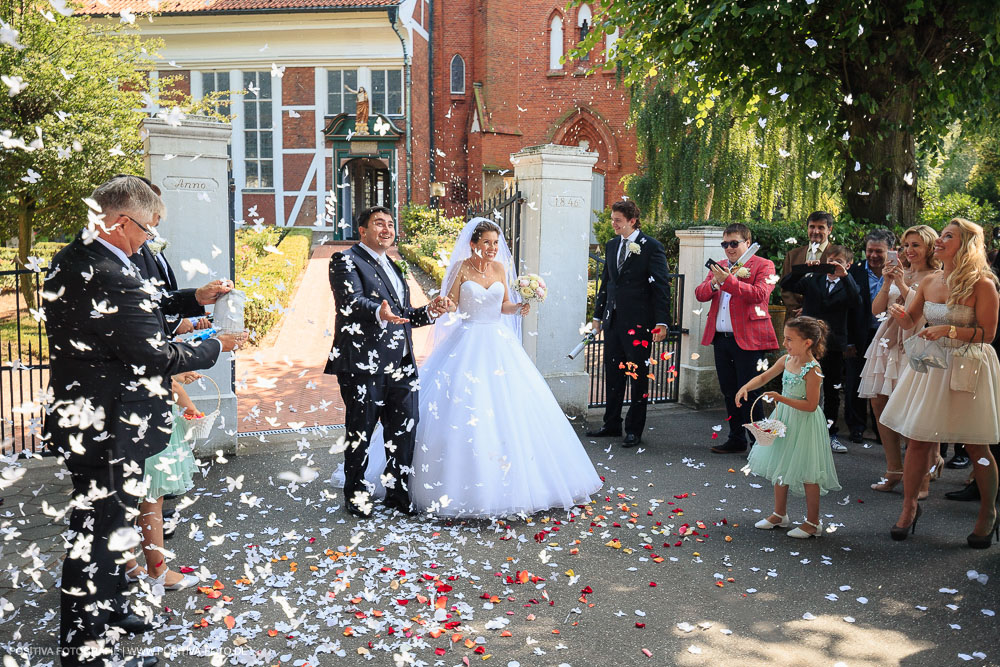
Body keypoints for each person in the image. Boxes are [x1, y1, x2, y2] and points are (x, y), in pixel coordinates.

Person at [44, 175, 241, 666]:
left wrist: (194, 300)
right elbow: (149, 353)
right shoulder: (107, 271)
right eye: (147, 229)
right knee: (98, 536)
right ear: (119, 221)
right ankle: (89, 648)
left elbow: (144, 309)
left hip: (95, 415)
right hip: (109, 423)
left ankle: (110, 613)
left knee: (110, 529)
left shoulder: (82, 256)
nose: (149, 239)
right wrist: (215, 346)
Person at [338, 218, 603, 517]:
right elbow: (449, 302)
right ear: (474, 244)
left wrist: (518, 307)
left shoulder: (500, 269)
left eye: (495, 243)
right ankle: (381, 487)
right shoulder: (462, 267)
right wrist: (446, 306)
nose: (492, 248)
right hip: (467, 342)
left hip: (499, 343)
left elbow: (503, 304)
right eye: (487, 242)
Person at [324, 206, 451, 517]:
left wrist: (431, 310)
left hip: (402, 363)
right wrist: (378, 312)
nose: (387, 229)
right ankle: (356, 495)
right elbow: (351, 303)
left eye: (391, 224)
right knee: (361, 432)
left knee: (404, 430)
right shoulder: (345, 260)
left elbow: (402, 313)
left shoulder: (393, 264)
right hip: (363, 364)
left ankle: (398, 493)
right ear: (362, 230)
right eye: (378, 223)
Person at [880, 218, 1000, 548]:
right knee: (918, 439)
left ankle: (988, 513)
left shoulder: (983, 284)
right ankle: (909, 509)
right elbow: (912, 320)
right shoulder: (931, 280)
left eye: (949, 236)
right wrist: (898, 312)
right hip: (932, 366)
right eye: (942, 235)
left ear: (966, 245)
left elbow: (988, 334)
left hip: (969, 366)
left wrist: (948, 330)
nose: (940, 240)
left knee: (978, 446)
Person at [737, 317, 841, 538]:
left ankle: (813, 523)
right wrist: (746, 387)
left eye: (790, 339)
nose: (785, 343)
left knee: (808, 472)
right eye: (785, 338)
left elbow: (811, 405)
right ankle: (779, 514)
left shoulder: (813, 369)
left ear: (807, 342)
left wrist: (780, 398)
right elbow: (764, 376)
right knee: (780, 463)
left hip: (804, 422)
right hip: (784, 418)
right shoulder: (786, 359)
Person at [859, 225, 940, 494]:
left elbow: (926, 311)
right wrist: (887, 283)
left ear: (929, 247)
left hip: (918, 344)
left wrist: (904, 286)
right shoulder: (899, 271)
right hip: (887, 344)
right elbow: (876, 310)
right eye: (906, 245)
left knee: (914, 411)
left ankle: (922, 476)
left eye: (916, 245)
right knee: (880, 405)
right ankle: (894, 469)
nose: (909, 250)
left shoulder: (937, 276)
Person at [587, 200, 671, 448]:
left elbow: (661, 287)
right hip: (613, 322)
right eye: (612, 219)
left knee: (638, 376)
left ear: (632, 221)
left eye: (617, 220)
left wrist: (661, 322)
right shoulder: (612, 245)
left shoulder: (652, 247)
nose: (613, 224)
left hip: (640, 323)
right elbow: (607, 283)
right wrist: (597, 316)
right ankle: (611, 423)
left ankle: (634, 429)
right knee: (613, 374)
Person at [693, 224, 779, 454]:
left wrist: (729, 281)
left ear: (747, 243)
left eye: (734, 243)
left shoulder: (764, 265)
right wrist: (714, 282)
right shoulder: (719, 267)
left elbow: (761, 294)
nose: (728, 248)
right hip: (721, 338)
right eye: (725, 244)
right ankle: (736, 438)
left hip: (749, 340)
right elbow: (700, 294)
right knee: (729, 391)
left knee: (751, 392)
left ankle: (761, 446)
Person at [122, 373, 204, 592]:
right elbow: (166, 382)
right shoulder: (149, 338)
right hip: (151, 426)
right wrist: (190, 407)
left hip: (128, 420)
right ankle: (158, 572)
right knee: (151, 499)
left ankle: (128, 565)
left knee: (130, 500)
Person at [779, 245, 865, 453]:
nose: (833, 265)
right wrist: (803, 269)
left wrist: (845, 276)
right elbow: (787, 284)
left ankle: (829, 433)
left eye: (839, 261)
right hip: (807, 343)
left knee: (832, 389)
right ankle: (797, 432)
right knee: (801, 384)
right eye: (830, 260)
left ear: (848, 264)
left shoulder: (849, 284)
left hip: (833, 344)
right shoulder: (813, 280)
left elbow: (856, 301)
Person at [845, 228, 895, 443]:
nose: (873, 256)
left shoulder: (898, 273)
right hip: (859, 334)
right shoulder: (853, 272)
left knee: (883, 384)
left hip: (889, 335)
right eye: (869, 250)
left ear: (890, 251)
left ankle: (881, 430)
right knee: (855, 382)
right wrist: (847, 340)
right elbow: (845, 308)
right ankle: (856, 427)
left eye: (879, 251)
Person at [780, 211, 836, 319]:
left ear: (829, 230)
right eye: (812, 227)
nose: (815, 231)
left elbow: (837, 289)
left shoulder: (837, 255)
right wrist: (796, 310)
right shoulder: (792, 255)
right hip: (795, 319)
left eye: (821, 227)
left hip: (824, 320)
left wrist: (810, 310)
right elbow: (784, 287)